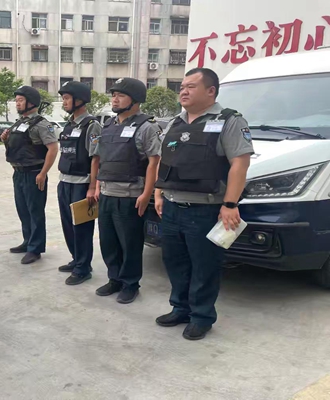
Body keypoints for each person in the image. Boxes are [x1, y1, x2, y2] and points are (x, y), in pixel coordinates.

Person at [154, 68, 253, 341]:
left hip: (206, 209)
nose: (183, 91)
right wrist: (158, 193)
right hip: (172, 206)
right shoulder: (175, 123)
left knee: (204, 266)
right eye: (182, 87)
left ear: (211, 91)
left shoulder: (230, 120)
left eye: (191, 86)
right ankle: (180, 309)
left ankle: (201, 317)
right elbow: (165, 160)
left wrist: (230, 203)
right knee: (174, 262)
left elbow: (240, 163)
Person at [93, 78, 161, 304]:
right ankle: (114, 279)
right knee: (108, 242)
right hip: (107, 193)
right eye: (113, 95)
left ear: (136, 100)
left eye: (120, 95)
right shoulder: (108, 125)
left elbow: (154, 162)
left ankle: (131, 284)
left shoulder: (147, 127)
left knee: (130, 244)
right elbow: (102, 159)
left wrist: (146, 194)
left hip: (130, 196)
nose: (114, 99)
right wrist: (96, 186)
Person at [1, 86, 58, 264]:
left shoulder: (42, 124)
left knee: (35, 212)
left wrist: (43, 173)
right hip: (18, 173)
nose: (17, 104)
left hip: (34, 173)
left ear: (31, 102)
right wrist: (5, 140)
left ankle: (35, 248)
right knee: (23, 210)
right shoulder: (19, 123)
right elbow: (18, 147)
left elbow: (53, 149)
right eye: (16, 100)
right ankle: (28, 241)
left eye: (20, 100)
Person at [56, 81, 102, 285]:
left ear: (80, 100)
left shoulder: (92, 125)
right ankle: (76, 259)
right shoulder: (69, 125)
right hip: (65, 182)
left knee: (81, 228)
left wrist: (92, 186)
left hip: (82, 184)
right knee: (68, 225)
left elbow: (96, 157)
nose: (64, 102)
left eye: (67, 98)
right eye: (63, 98)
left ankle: (83, 268)